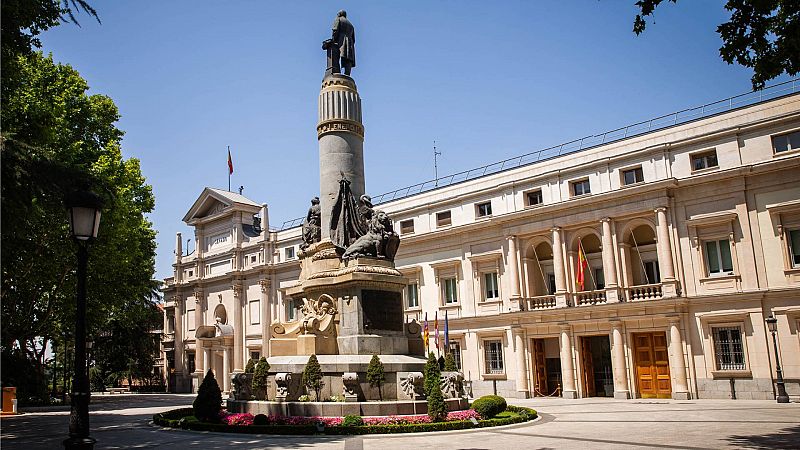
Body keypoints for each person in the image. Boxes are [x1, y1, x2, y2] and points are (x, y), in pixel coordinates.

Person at [331, 10, 355, 75]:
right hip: (350, 43)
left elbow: (335, 30)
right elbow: (353, 39)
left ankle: (336, 72)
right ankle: (347, 74)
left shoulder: (338, 19)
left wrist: (333, 40)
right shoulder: (351, 25)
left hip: (341, 40)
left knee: (336, 55)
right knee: (348, 58)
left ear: (339, 14)